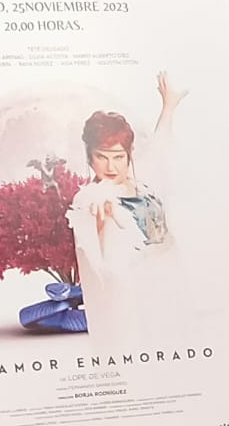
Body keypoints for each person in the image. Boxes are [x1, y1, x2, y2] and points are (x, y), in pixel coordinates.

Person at [68, 72, 186, 346]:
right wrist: (100, 225)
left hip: (170, 279)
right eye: (102, 157)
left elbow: (159, 151)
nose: (111, 167)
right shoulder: (89, 199)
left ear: (129, 155)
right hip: (134, 297)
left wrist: (168, 106)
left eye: (119, 157)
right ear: (90, 157)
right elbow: (103, 267)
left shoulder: (141, 184)